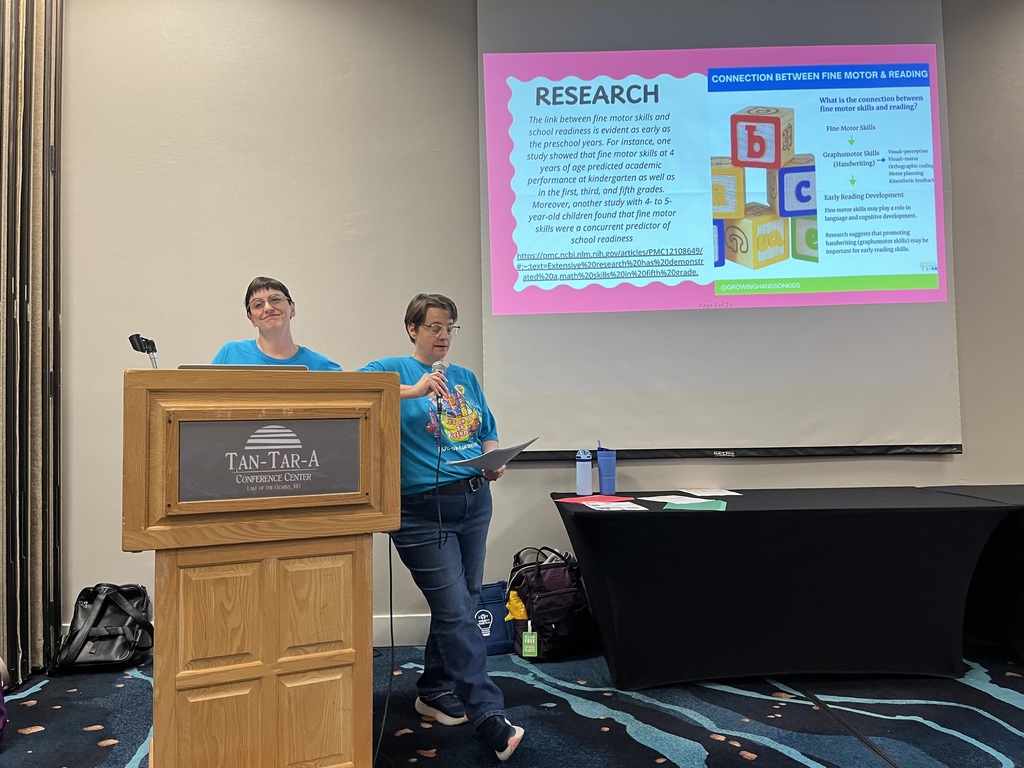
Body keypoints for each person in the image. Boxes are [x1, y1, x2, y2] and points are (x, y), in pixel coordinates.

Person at [359, 293, 524, 761]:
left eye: (450, 327)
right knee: (455, 611)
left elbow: (486, 430)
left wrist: (493, 459)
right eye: (434, 327)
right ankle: (489, 715)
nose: (444, 336)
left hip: (474, 500)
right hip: (420, 510)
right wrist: (414, 391)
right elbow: (354, 397)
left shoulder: (465, 378)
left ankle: (433, 690)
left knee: (463, 602)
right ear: (412, 329)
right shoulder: (388, 370)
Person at [212, 276, 342, 370]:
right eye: (258, 305)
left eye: (275, 299)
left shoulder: (321, 366)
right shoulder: (230, 354)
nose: (268, 308)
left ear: (292, 308)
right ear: (251, 318)